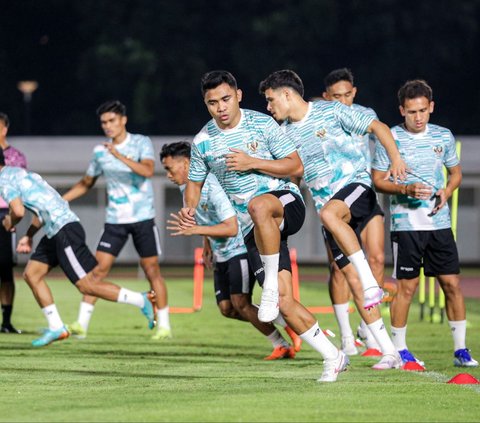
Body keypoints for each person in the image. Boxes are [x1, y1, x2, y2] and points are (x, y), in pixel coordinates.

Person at [178, 70, 347, 383]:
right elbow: (194, 183)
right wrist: (189, 208)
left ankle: (267, 285)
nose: (220, 107)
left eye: (226, 99)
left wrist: (252, 162)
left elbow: (295, 166)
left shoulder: (262, 124)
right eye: (212, 102)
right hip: (253, 229)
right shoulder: (202, 142)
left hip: (284, 204)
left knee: (258, 205)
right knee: (285, 303)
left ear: (239, 95)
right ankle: (333, 356)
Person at [259, 69, 406, 370]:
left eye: (271, 99)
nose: (269, 107)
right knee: (349, 279)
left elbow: (378, 127)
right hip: (330, 211)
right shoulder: (283, 133)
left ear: (286, 94)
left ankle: (371, 283)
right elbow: (294, 173)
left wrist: (396, 158)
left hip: (356, 189)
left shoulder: (332, 111)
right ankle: (389, 352)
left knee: (332, 218)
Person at [0, 149, 157, 347]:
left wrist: (8, 221)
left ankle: (141, 300)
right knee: (32, 274)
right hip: (54, 230)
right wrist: (29, 235)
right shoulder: (23, 174)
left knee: (87, 285)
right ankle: (57, 327)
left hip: (64, 231)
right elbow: (45, 206)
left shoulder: (3, 181)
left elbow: (18, 210)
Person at [372, 79, 478, 367]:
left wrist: (447, 191)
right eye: (411, 112)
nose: (418, 117)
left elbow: (456, 174)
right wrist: (405, 190)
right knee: (406, 288)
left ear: (431, 107)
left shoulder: (443, 137)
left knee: (452, 285)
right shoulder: (390, 139)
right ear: (401, 111)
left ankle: (460, 350)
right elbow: (377, 181)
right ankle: (399, 350)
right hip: (406, 227)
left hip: (440, 225)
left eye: (422, 110)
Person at [161, 141, 301, 359]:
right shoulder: (187, 189)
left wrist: (196, 230)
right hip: (221, 251)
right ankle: (286, 321)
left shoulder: (212, 186)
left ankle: (282, 341)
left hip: (238, 247)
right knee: (227, 308)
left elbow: (231, 226)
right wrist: (205, 242)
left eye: (170, 168)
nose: (168, 175)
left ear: (187, 163)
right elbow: (207, 217)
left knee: (241, 303)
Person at [63, 100, 171, 341]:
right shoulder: (100, 151)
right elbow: (86, 183)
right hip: (115, 221)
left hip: (143, 217)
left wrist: (118, 155)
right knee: (97, 270)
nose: (108, 126)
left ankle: (164, 325)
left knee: (151, 269)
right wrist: (61, 200)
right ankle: (81, 324)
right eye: (104, 123)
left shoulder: (140, 142)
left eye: (112, 121)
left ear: (123, 120)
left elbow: (147, 171)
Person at [321, 68, 385, 356]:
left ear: (354, 93)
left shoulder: (364, 113)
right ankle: (346, 336)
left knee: (378, 259)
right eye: (336, 97)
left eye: (347, 95)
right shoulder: (321, 119)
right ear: (326, 98)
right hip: (335, 199)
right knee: (339, 269)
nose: (343, 101)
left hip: (364, 194)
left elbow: (379, 138)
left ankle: (369, 328)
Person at [0, 112, 27, 334]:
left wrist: (13, 217)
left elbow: (22, 189)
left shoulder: (16, 157)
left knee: (5, 270)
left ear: (4, 128)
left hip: (6, 214)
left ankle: (6, 321)